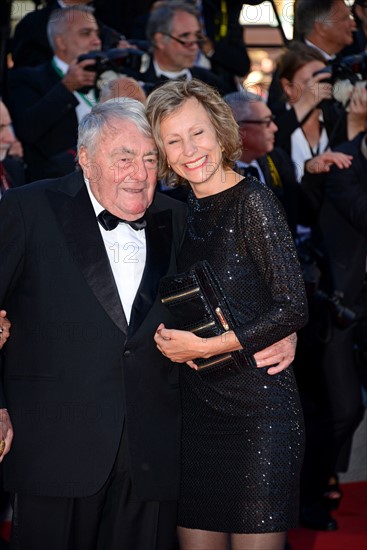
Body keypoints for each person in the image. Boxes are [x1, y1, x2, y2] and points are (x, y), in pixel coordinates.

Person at [0, 96, 298, 549]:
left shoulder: (180, 217)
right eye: (124, 158)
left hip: (156, 453)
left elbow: (250, 282)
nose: (139, 174)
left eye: (149, 158)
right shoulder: (27, 208)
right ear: (85, 158)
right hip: (54, 448)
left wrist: (283, 330)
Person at [147, 79, 308, 550]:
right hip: (197, 416)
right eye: (173, 140)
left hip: (260, 413)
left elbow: (292, 305)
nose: (189, 149)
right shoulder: (174, 212)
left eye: (197, 133)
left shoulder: (253, 202)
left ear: (220, 131)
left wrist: (209, 346)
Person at [6, 6, 102, 182]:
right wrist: (67, 87)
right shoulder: (29, 78)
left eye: (97, 33)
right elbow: (27, 129)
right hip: (56, 185)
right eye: (86, 33)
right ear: (61, 42)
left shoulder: (106, 77)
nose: (96, 41)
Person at [140, 0, 234, 96]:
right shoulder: (134, 82)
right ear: (160, 40)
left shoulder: (214, 87)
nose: (195, 47)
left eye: (197, 36)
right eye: (185, 36)